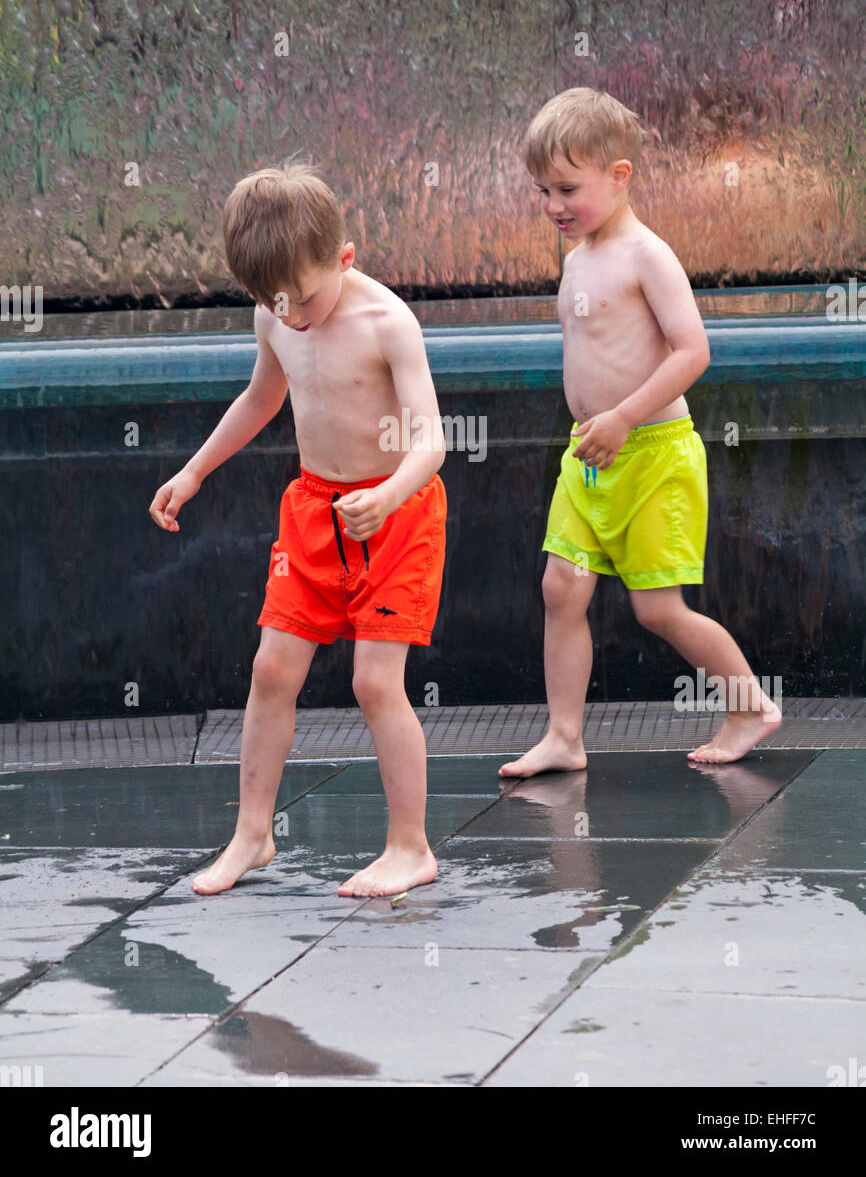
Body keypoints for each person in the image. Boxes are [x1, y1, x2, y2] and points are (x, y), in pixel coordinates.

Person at [149, 160, 447, 896]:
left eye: (302, 298)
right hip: (314, 512)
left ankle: (410, 845)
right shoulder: (277, 312)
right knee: (271, 670)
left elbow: (431, 441)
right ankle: (253, 834)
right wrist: (194, 471)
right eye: (270, 302)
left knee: (375, 683)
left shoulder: (387, 324)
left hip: (398, 514)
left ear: (344, 258)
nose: (288, 316)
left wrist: (390, 495)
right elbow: (259, 400)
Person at [499, 87, 781, 777]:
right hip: (590, 454)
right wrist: (599, 422)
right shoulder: (578, 259)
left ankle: (749, 705)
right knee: (561, 589)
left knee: (657, 608)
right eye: (543, 191)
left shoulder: (646, 255)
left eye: (567, 188)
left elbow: (694, 351)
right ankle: (564, 735)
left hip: (653, 453)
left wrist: (624, 416)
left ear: (619, 175)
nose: (553, 205)